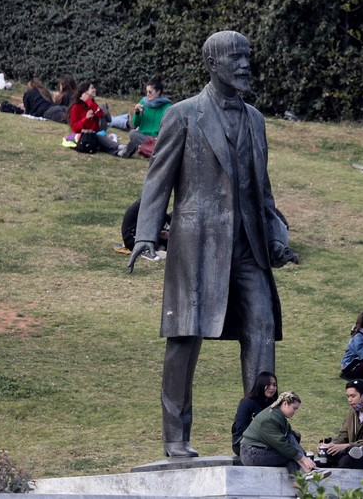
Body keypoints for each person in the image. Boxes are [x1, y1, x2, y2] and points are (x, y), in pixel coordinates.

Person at [126, 31, 299, 458]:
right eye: (234, 58)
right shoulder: (184, 115)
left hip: (249, 249)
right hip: (198, 247)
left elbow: (262, 189)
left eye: (247, 56)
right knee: (185, 340)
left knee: (261, 330)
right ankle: (175, 437)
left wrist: (278, 234)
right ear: (212, 63)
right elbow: (158, 179)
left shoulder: (256, 119)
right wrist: (146, 233)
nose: (244, 64)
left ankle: (258, 436)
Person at [239, 391, 326, 481]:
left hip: (260, 450)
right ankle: (305, 477)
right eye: (294, 408)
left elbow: (289, 439)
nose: (295, 412)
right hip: (251, 454)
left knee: (291, 440)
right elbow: (280, 443)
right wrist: (302, 458)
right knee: (290, 455)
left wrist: (302, 456)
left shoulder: (278, 416)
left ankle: (306, 475)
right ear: (285, 404)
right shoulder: (269, 419)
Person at [67, 81, 127, 157]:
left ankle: (120, 153)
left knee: (100, 140)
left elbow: (100, 114)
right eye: (92, 88)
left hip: (95, 137)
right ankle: (120, 147)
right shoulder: (76, 107)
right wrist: (86, 118)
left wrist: (88, 101)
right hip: (83, 137)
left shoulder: (93, 105)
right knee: (98, 138)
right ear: (85, 92)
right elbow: (75, 128)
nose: (95, 89)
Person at [232, 371, 278, 456]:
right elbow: (241, 427)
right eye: (268, 384)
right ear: (260, 385)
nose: (272, 388)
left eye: (274, 385)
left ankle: (304, 465)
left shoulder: (274, 405)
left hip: (268, 441)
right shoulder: (247, 402)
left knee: (291, 439)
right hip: (243, 442)